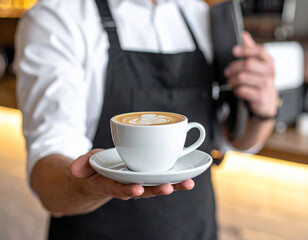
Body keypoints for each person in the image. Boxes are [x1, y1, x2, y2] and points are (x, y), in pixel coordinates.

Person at [14, 0, 279, 239]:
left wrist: (262, 109)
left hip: (197, 229)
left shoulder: (200, 14)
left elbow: (230, 139)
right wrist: (97, 185)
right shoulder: (59, 17)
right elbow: (49, 175)